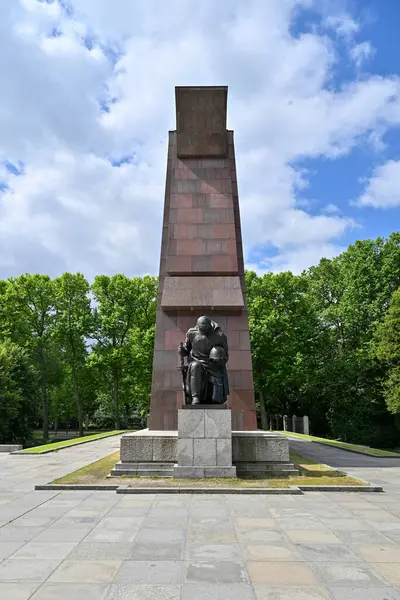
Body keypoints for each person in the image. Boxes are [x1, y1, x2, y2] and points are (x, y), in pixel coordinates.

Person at [178, 316, 229, 405]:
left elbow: (225, 355)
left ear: (210, 326)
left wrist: (220, 360)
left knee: (215, 400)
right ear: (197, 326)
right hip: (196, 362)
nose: (204, 331)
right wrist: (182, 350)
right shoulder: (191, 333)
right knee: (195, 366)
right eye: (202, 328)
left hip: (213, 366)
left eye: (206, 328)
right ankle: (195, 397)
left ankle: (215, 394)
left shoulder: (219, 335)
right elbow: (186, 350)